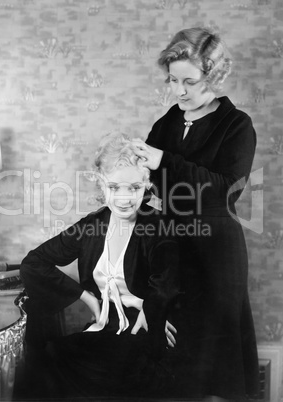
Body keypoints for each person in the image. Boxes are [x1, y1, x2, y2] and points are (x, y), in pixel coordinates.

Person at [132, 27, 260, 401]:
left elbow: (224, 189)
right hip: (170, 251)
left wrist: (163, 161)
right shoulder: (166, 123)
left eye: (190, 81)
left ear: (215, 78)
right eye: (173, 80)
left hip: (216, 254)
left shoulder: (236, 125)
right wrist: (135, 190)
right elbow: (153, 191)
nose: (179, 91)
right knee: (174, 357)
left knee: (216, 363)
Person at [18, 133, 181, 400]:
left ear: (147, 185)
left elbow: (166, 281)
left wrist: (152, 312)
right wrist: (87, 298)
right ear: (102, 185)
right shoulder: (92, 226)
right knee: (45, 359)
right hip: (105, 330)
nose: (125, 198)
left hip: (143, 338)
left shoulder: (158, 226)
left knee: (111, 375)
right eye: (115, 187)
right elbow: (34, 263)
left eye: (135, 187)